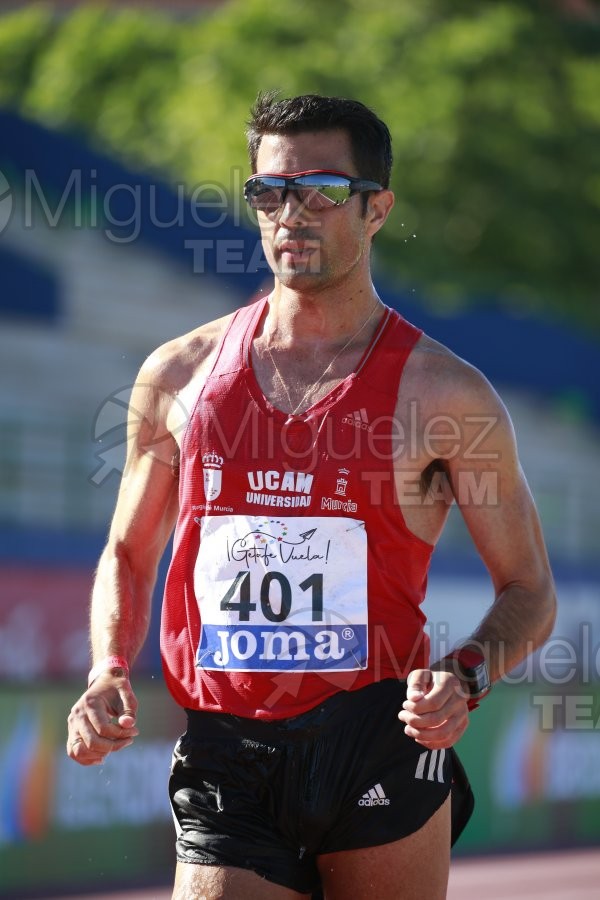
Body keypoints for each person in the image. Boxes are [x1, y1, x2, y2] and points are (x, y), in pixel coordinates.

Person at [67, 92, 556, 900]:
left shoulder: (444, 397)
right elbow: (127, 550)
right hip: (228, 745)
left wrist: (467, 673)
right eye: (270, 191)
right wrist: (107, 667)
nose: (292, 213)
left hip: (379, 737)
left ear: (376, 210)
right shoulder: (179, 377)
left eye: (322, 190)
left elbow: (530, 589)